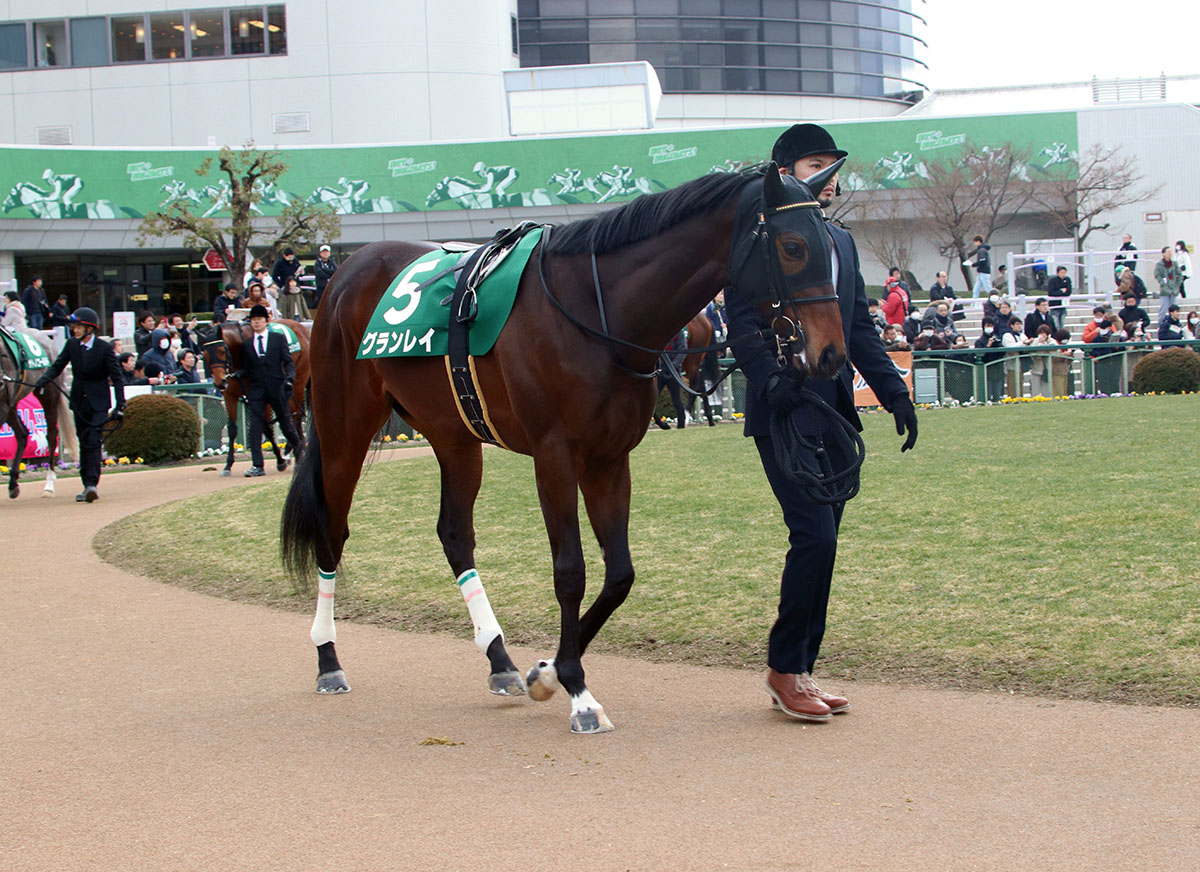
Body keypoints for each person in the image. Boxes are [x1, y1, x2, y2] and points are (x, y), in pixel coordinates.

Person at [730, 122, 917, 723]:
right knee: (815, 536)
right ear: (783, 171)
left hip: (834, 410)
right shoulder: (760, 237)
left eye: (833, 164)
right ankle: (785, 670)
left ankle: (800, 668)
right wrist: (770, 379)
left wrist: (893, 392)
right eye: (816, 163)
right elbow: (740, 317)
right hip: (784, 408)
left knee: (825, 543)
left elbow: (857, 325)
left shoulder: (840, 241)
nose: (830, 176)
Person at [33, 307, 124, 502]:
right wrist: (40, 382)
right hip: (79, 402)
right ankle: (86, 485)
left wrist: (120, 404)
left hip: (99, 403)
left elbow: (117, 378)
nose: (75, 330)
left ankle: (92, 484)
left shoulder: (104, 348)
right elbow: (57, 367)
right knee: (84, 442)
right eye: (74, 326)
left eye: (79, 326)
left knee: (93, 441)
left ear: (90, 328)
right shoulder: (72, 345)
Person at [237, 304, 302, 477]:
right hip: (257, 391)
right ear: (250, 323)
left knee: (286, 426)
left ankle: (300, 453)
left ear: (266, 321)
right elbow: (247, 369)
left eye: (259, 320)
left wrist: (289, 378)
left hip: (277, 387)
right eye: (254, 320)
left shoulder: (278, 339)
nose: (256, 323)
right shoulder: (248, 344)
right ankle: (257, 465)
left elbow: (288, 361)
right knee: (255, 429)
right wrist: (236, 375)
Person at [652, 328, 688, 430]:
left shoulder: (679, 333)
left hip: (673, 370)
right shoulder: (660, 333)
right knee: (653, 398)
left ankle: (681, 425)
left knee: (677, 400)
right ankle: (659, 422)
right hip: (661, 369)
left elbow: (683, 349)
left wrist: (673, 365)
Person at [974, 317, 1005, 402]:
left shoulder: (997, 338)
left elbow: (1002, 352)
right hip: (986, 370)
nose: (990, 328)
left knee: (997, 394)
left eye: (991, 325)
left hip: (997, 368)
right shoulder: (979, 341)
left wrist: (997, 344)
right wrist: (988, 346)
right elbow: (980, 354)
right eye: (988, 325)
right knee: (987, 394)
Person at [1153, 247, 1183, 324]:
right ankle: (1161, 324)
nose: (1170, 253)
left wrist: (1177, 284)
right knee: (1163, 307)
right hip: (1164, 289)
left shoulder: (1174, 264)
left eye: (1170, 251)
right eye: (1168, 252)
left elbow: (1179, 274)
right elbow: (1157, 275)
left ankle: (1173, 323)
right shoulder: (1159, 264)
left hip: (1174, 289)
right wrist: (1162, 282)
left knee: (1173, 308)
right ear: (1163, 253)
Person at [1027, 324, 1056, 398]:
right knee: (1035, 391)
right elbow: (1035, 355)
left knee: (1046, 391)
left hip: (1047, 369)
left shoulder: (1052, 341)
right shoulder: (1035, 342)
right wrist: (1041, 345)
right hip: (1036, 369)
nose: (1042, 335)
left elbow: (1054, 354)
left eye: (1044, 333)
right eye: (1041, 333)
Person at [1001, 315, 1026, 397]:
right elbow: (1010, 347)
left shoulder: (1022, 335)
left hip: (1021, 365)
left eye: (1020, 324)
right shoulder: (1007, 335)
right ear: (1011, 325)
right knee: (1012, 386)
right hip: (1011, 365)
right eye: (1017, 324)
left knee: (1020, 385)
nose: (1019, 326)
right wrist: (1023, 343)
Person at [312, 244, 338, 309]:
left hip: (331, 286)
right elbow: (319, 273)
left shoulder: (332, 262)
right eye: (323, 252)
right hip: (321, 286)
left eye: (327, 252)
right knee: (321, 302)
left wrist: (324, 269)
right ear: (320, 253)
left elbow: (335, 271)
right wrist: (329, 274)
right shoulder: (318, 262)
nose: (325, 253)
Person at [1046, 266, 1071, 331]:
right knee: (1055, 326)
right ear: (1057, 273)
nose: (1063, 274)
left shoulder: (1067, 280)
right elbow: (1051, 293)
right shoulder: (1052, 281)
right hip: (1054, 306)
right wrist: (1061, 291)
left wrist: (1061, 292)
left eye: (1064, 272)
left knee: (1062, 325)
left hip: (1063, 305)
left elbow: (1068, 292)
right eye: (1061, 272)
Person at [1051, 328, 1073, 397]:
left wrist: (1070, 354)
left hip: (1065, 371)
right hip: (1057, 371)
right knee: (1058, 392)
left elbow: (1070, 359)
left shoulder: (1067, 346)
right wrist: (1064, 354)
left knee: (1064, 392)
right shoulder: (1054, 345)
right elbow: (1054, 357)